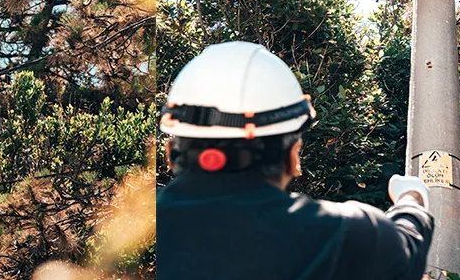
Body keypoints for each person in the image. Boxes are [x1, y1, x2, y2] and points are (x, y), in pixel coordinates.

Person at [157, 41, 435, 280]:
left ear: (170, 153)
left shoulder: (139, 226)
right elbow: (407, 246)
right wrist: (411, 197)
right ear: (292, 156)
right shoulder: (342, 234)